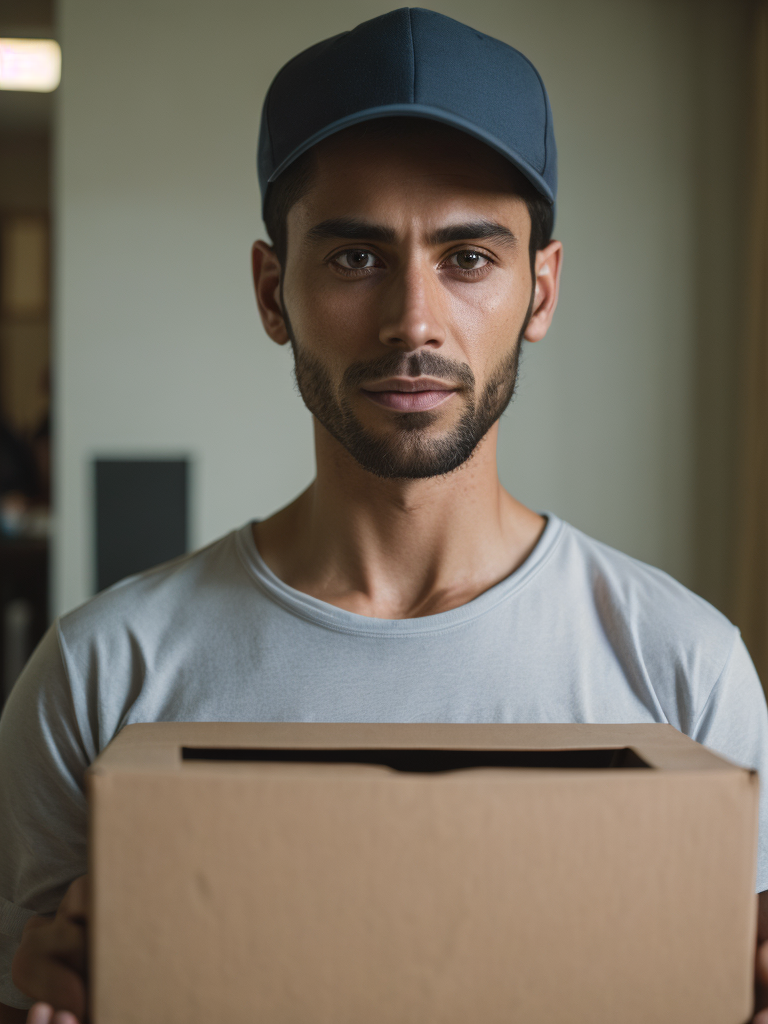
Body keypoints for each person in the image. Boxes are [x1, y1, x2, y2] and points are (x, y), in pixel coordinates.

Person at [2, 8, 768, 1023]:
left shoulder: (684, 673)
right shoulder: (101, 676)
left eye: (468, 258)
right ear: (274, 292)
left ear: (541, 290)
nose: (414, 319)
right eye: (356, 257)